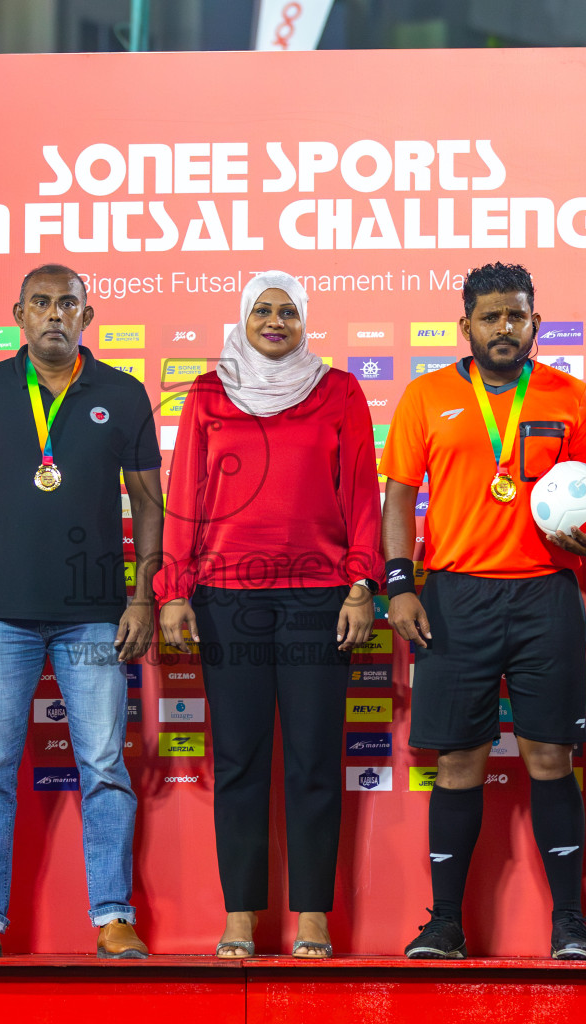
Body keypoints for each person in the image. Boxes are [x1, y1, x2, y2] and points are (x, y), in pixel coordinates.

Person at [381, 262, 586, 960]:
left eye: (517, 315)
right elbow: (397, 497)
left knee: (551, 756)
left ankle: (569, 921)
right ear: (467, 326)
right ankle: (445, 923)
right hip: (455, 596)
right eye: (491, 316)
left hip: (546, 592)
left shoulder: (572, 399)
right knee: (458, 761)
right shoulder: (427, 396)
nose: (504, 328)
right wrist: (399, 584)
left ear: (535, 323)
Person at [157, 271, 383, 960]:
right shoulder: (207, 391)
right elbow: (185, 492)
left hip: (319, 598)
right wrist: (172, 589)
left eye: (288, 311)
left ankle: (312, 912)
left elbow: (362, 493)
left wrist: (362, 583)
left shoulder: (339, 389)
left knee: (315, 759)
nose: (276, 320)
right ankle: (241, 916)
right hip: (229, 598)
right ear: (243, 317)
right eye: (263, 309)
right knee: (241, 759)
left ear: (305, 320)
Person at [0, 263, 161, 959]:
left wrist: (143, 593)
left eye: (68, 304)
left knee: (102, 764)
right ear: (19, 314)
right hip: (0, 611)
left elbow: (151, 502)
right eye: (42, 303)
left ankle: (113, 915)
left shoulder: (123, 395)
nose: (55, 314)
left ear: (88, 317)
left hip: (94, 613)